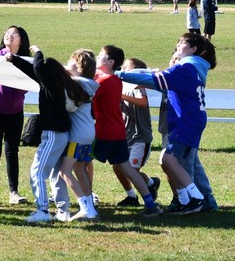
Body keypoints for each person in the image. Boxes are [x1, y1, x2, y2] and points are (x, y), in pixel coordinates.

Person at [118, 33, 217, 215]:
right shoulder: (190, 67)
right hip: (186, 121)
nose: (178, 45)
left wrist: (119, 75)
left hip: (186, 122)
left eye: (182, 43)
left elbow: (153, 80)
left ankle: (196, 200)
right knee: (185, 161)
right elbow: (155, 78)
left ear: (193, 49)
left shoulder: (186, 68)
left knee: (173, 160)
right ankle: (191, 200)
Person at [9, 46, 87, 223]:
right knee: (55, 174)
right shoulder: (54, 84)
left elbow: (36, 67)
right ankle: (63, 211)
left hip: (53, 136)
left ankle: (42, 211)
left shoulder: (51, 86)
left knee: (37, 173)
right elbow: (33, 70)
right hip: (62, 135)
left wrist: (38, 51)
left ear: (47, 73)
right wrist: (13, 59)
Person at [92, 45, 162, 217]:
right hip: (120, 133)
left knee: (80, 163)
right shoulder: (117, 81)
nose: (97, 57)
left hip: (105, 132)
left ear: (110, 61)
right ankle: (150, 205)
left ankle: (87, 205)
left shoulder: (104, 82)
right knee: (126, 168)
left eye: (100, 55)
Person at [0, 26, 31, 206]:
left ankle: (13, 192)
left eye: (14, 34)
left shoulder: (25, 61)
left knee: (12, 152)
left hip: (16, 111)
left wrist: (17, 62)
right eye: (8, 33)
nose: (10, 35)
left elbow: (29, 83)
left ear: (21, 40)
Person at [115, 58, 160, 207]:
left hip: (140, 136)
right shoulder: (121, 85)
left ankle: (151, 183)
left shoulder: (137, 85)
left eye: (127, 67)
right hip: (125, 135)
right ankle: (131, 196)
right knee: (118, 167)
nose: (123, 69)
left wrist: (121, 96)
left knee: (132, 170)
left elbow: (143, 102)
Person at [62, 49, 100, 221]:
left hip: (77, 134)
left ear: (78, 66)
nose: (67, 62)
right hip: (89, 132)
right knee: (80, 168)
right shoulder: (88, 83)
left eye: (71, 60)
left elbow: (69, 107)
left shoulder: (76, 83)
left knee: (64, 171)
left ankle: (86, 208)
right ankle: (90, 206)